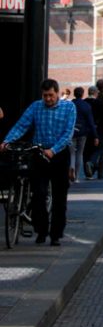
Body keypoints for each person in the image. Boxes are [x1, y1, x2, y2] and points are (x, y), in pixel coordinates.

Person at [0, 79, 76, 244]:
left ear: (57, 93)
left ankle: (56, 235)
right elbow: (21, 126)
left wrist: (53, 150)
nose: (48, 99)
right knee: (38, 194)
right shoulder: (36, 106)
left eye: (51, 95)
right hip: (39, 153)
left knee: (59, 197)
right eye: (45, 96)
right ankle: (41, 230)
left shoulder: (69, 107)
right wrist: (7, 141)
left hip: (59, 154)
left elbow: (68, 133)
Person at [70, 85, 97, 183]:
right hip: (82, 132)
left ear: (74, 94)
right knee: (80, 154)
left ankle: (71, 169)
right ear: (82, 94)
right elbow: (90, 121)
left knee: (71, 153)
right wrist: (95, 136)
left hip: (72, 132)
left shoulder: (70, 104)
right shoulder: (86, 105)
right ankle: (76, 176)